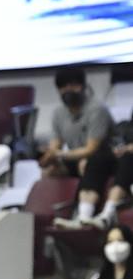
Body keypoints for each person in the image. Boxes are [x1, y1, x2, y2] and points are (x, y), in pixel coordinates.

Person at [43, 68, 116, 229]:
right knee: (50, 171)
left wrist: (60, 154)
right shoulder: (58, 113)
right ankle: (52, 216)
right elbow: (55, 145)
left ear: (83, 86)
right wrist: (49, 157)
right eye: (63, 87)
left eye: (73, 86)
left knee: (89, 162)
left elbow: (92, 148)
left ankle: (83, 215)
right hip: (76, 157)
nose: (68, 90)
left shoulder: (97, 109)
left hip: (104, 157)